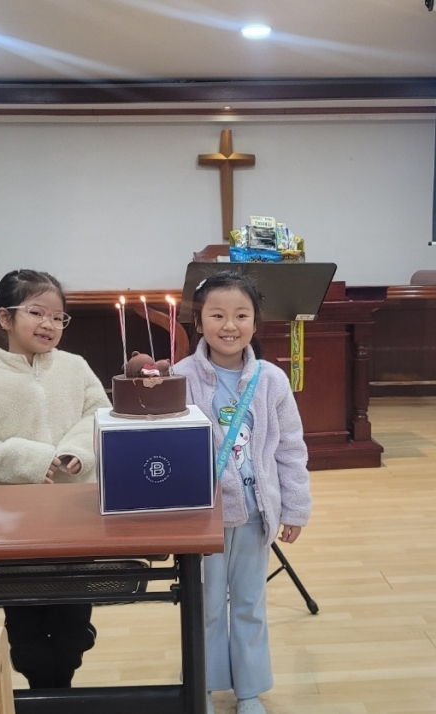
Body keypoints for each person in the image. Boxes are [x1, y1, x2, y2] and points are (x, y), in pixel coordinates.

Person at [0, 269, 110, 689]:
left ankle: (62, 682)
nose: (49, 324)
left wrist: (77, 451)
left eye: (58, 317)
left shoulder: (75, 368)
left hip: (74, 521)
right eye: (37, 313)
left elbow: (99, 415)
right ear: (5, 318)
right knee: (27, 630)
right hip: (12, 530)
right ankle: (43, 689)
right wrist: (35, 459)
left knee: (72, 622)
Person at [173, 271, 312, 714]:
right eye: (217, 315)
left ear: (256, 321)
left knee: (250, 604)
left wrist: (295, 508)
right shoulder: (181, 376)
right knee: (207, 606)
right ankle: (205, 685)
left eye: (241, 315)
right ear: (199, 323)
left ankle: (249, 690)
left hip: (256, 513)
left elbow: (290, 448)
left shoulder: (271, 379)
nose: (229, 325)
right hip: (206, 517)